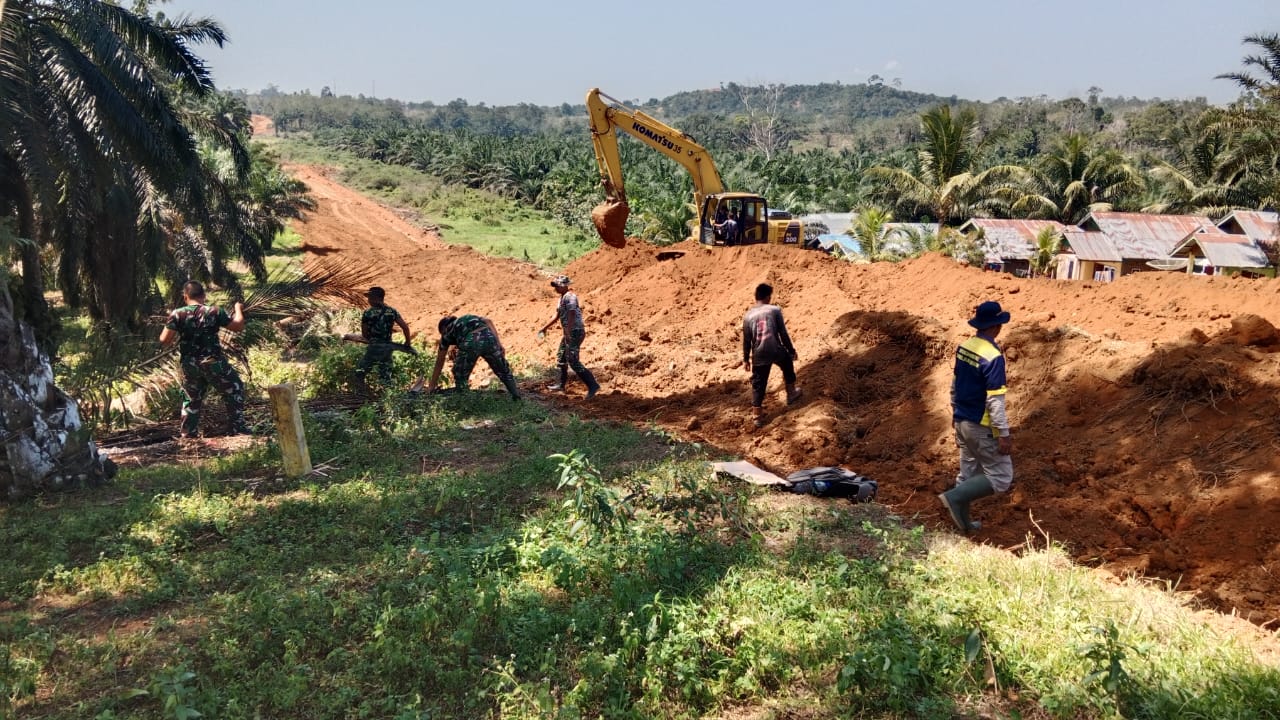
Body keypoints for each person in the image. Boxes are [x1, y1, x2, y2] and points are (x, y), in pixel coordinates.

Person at [939, 300, 1013, 534]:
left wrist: (954, 411)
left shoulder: (965, 347)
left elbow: (955, 383)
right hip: (980, 426)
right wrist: (1003, 433)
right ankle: (952, 498)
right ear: (996, 327)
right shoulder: (993, 357)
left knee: (968, 472)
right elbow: (994, 400)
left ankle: (964, 526)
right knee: (1001, 476)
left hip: (962, 420)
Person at [158, 280, 249, 438]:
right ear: (204, 295)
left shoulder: (177, 314)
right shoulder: (214, 311)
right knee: (234, 388)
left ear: (185, 296)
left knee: (191, 397)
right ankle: (237, 426)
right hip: (213, 362)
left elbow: (164, 340)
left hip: (190, 364)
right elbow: (238, 326)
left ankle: (188, 433)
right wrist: (237, 309)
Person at [742, 283, 801, 428]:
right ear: (768, 297)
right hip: (775, 348)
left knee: (758, 383)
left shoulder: (748, 316)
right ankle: (791, 393)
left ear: (756, 297)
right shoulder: (775, 310)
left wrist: (745, 359)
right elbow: (783, 333)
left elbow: (747, 340)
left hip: (759, 354)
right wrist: (791, 350)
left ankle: (757, 415)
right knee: (787, 363)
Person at [425, 314, 520, 399]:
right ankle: (516, 396)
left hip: (471, 341)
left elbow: (439, 361)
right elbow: (488, 321)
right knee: (503, 369)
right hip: (489, 337)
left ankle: (464, 399)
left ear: (443, 329)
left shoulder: (447, 331)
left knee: (459, 373)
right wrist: (498, 344)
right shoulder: (466, 318)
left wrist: (431, 386)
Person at [537, 275, 601, 399]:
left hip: (575, 331)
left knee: (573, 360)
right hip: (569, 332)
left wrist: (568, 330)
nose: (555, 288)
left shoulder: (570, 296)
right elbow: (556, 317)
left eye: (557, 286)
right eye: (555, 286)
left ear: (565, 285)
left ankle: (593, 385)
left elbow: (571, 313)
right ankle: (561, 384)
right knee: (561, 356)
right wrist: (544, 328)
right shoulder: (561, 299)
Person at [354, 286, 411, 390]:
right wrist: (407, 343)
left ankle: (364, 395)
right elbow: (405, 328)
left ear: (375, 298)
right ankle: (388, 398)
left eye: (370, 297)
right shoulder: (392, 311)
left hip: (374, 347)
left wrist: (370, 339)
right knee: (385, 377)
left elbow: (364, 334)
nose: (368, 300)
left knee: (359, 373)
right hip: (387, 347)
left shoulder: (368, 313)